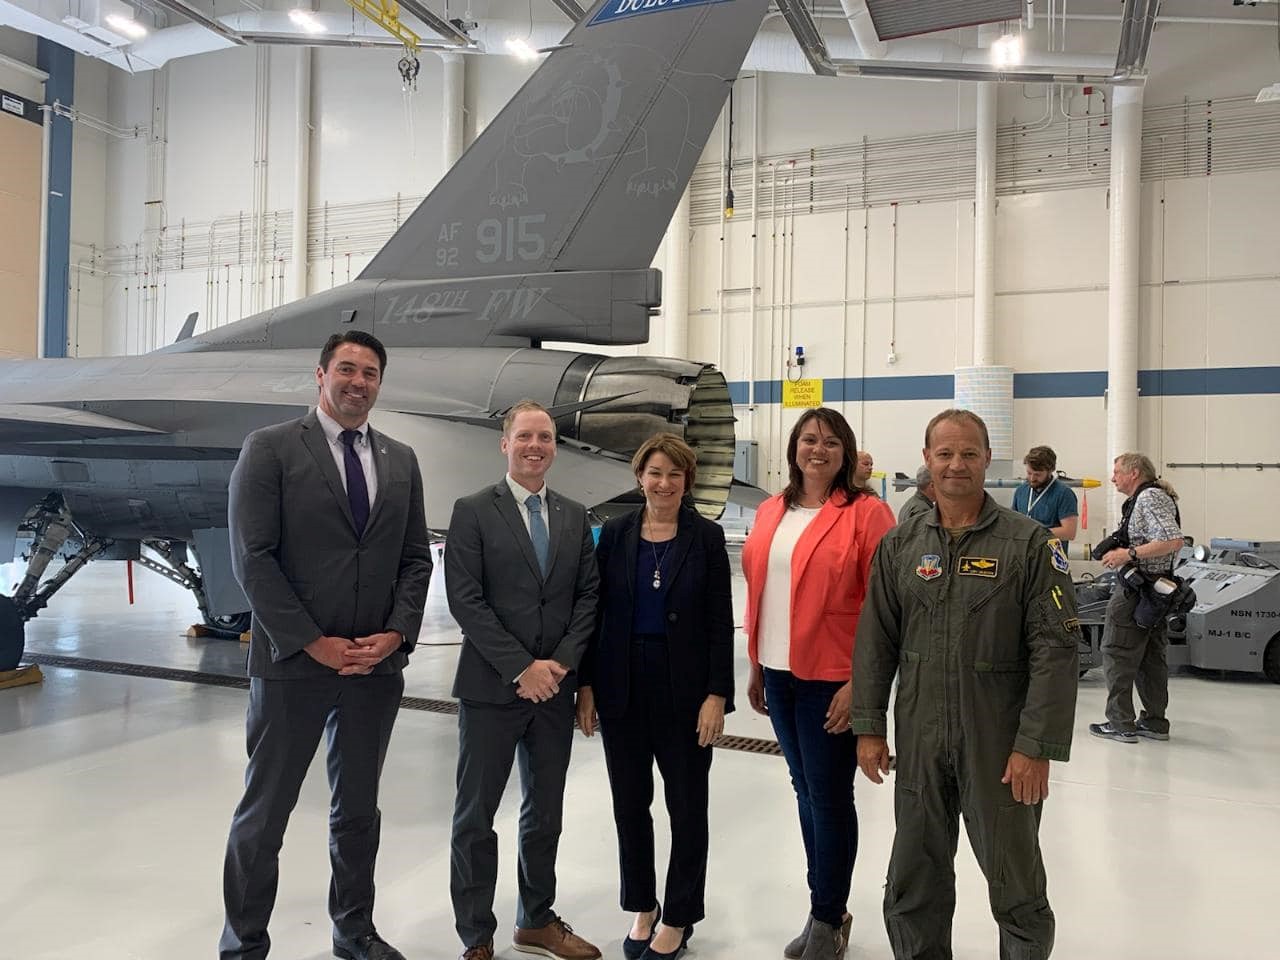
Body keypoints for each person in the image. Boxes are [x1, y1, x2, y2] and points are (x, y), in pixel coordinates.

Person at [220, 331, 433, 960]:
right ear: (320, 376)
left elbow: (416, 560)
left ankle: (355, 932)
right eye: (346, 369)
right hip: (293, 666)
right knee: (265, 815)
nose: (357, 382)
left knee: (358, 812)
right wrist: (312, 642)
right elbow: (252, 560)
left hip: (374, 667)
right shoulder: (271, 449)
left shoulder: (400, 458)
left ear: (379, 384)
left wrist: (395, 635)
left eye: (370, 373)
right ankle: (243, 945)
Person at [851, 408, 1080, 960]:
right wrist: (869, 725)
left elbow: (1056, 649)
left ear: (986, 461)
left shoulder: (1028, 546)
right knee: (913, 878)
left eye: (969, 453)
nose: (957, 464)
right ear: (927, 460)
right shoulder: (900, 546)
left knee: (1016, 884)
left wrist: (1035, 745)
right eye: (945, 453)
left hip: (1000, 744)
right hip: (920, 737)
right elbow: (876, 641)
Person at [445, 400, 602, 960]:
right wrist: (521, 667)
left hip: (552, 693)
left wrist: (557, 664)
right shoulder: (471, 511)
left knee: (545, 812)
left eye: (546, 438)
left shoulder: (574, 514)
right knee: (476, 815)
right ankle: (476, 934)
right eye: (525, 436)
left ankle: (535, 919)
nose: (536, 446)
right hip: (492, 689)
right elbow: (466, 599)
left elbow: (588, 597)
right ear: (504, 443)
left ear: (555, 447)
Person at [742, 408, 896, 960]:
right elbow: (764, 591)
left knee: (829, 800)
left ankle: (829, 916)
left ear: (847, 453)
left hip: (832, 680)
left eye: (832, 442)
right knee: (805, 793)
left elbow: (886, 607)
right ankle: (822, 908)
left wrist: (862, 683)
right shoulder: (770, 511)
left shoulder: (867, 514)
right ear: (794, 448)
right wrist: (759, 666)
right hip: (780, 676)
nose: (819, 450)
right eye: (809, 439)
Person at [577, 434, 734, 960]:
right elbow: (596, 617)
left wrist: (717, 694)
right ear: (638, 475)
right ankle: (643, 904)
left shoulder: (706, 539)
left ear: (687, 482)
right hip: (622, 685)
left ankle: (681, 914)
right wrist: (588, 685)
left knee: (687, 806)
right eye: (654, 472)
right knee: (630, 804)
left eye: (674, 474)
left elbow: (719, 623)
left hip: (685, 691)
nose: (664, 483)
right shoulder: (615, 535)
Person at [1088, 453, 1185, 745]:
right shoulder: (1153, 497)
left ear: (1134, 472)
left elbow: (1173, 540)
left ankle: (1120, 723)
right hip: (1156, 591)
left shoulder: (1148, 498)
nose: (1113, 477)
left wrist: (1127, 554)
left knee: (1116, 651)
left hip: (1137, 592)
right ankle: (1155, 722)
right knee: (1151, 658)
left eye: (1117, 471)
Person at [1011, 446, 1079, 542]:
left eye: (1037, 474)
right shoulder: (1021, 491)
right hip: (1023, 553)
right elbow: (1014, 523)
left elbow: (1069, 532)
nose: (1032, 478)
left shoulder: (1064, 494)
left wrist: (1033, 534)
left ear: (1050, 471)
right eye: (1029, 473)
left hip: (1049, 554)